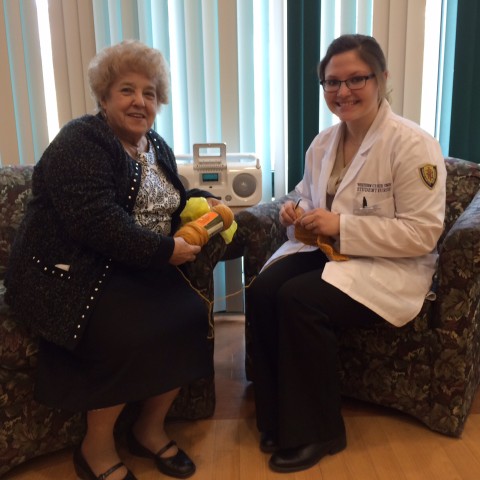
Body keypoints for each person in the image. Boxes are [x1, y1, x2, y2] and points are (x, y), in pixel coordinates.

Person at [5, 40, 225, 480]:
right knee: (126, 332)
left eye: (149, 93)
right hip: (71, 272)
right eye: (127, 90)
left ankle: (148, 428)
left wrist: (204, 200)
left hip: (132, 265)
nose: (139, 101)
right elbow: (94, 219)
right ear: (103, 97)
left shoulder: (155, 146)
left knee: (189, 318)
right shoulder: (82, 140)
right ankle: (96, 447)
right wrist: (165, 251)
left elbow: (172, 201)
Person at [246, 34, 446, 474]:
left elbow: (422, 234)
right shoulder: (323, 143)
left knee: (299, 299)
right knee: (263, 291)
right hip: (333, 253)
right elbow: (303, 192)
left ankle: (319, 431)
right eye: (332, 82)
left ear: (382, 79)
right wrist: (292, 208)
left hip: (389, 266)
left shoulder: (413, 145)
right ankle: (275, 415)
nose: (343, 91)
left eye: (356, 79)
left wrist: (341, 226)